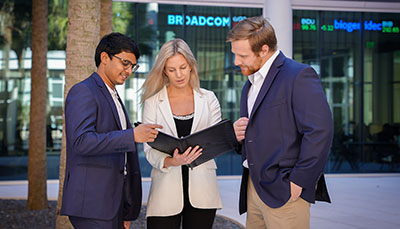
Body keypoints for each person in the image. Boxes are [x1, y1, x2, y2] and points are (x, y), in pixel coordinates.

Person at [227, 16, 333, 228]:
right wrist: (239, 135)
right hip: (253, 186)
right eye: (235, 54)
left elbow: (320, 131)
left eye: (242, 55)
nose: (236, 61)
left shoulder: (298, 75)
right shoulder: (249, 84)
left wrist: (300, 180)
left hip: (286, 191)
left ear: (264, 49)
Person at [60, 32, 162, 229]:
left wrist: (127, 208)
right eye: (125, 63)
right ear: (104, 58)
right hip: (91, 205)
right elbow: (81, 141)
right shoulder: (84, 91)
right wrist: (132, 135)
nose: (129, 70)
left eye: (133, 66)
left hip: (113, 205)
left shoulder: (112, 94)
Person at [141, 38, 223, 229]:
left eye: (183, 67)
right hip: (165, 190)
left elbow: (217, 141)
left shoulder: (208, 98)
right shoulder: (153, 103)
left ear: (191, 66)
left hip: (203, 190)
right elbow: (149, 149)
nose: (179, 74)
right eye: (171, 69)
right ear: (164, 71)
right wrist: (171, 161)